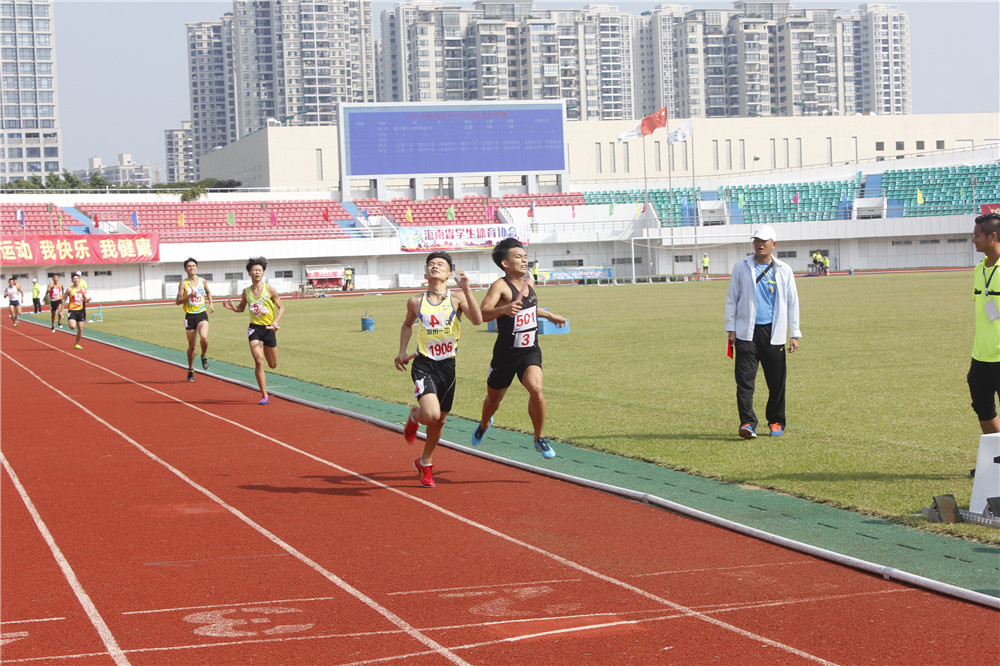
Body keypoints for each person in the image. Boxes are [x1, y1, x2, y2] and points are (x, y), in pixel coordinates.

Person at [394, 252, 483, 487]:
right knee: (431, 415)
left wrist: (467, 290)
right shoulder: (415, 301)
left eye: (440, 264)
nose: (435, 266)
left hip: (448, 367)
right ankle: (415, 415)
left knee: (440, 421)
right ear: (426, 274)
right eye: (431, 264)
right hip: (424, 365)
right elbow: (406, 325)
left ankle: (425, 462)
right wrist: (402, 351)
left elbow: (477, 320)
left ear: (448, 274)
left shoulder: (457, 300)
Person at [472, 238, 566, 458]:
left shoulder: (529, 281)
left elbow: (530, 308)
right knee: (494, 400)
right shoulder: (500, 286)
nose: (524, 261)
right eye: (518, 257)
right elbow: (481, 314)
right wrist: (504, 309)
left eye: (525, 257)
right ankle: (485, 423)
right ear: (505, 263)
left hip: (529, 351)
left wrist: (550, 315)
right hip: (505, 355)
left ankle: (539, 438)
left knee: (537, 390)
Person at [725, 224, 801, 439]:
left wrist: (794, 333)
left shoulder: (784, 269)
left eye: (764, 241)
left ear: (773, 245)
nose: (759, 244)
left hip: (773, 333)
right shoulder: (741, 267)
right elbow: (732, 298)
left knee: (776, 382)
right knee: (744, 382)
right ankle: (747, 423)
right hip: (746, 333)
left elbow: (792, 303)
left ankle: (776, 422)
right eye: (756, 241)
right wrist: (731, 328)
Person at [223, 257, 285, 405]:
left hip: (269, 329)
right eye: (254, 270)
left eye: (259, 270)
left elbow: (281, 307)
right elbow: (241, 308)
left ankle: (265, 388)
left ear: (263, 272)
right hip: (254, 329)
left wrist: (276, 322)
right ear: (249, 273)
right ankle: (264, 394)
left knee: (273, 365)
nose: (257, 272)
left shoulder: (270, 290)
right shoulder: (246, 292)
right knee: (258, 361)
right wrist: (233, 308)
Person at [968, 212, 1000, 449]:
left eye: (977, 235)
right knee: (983, 408)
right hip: (981, 355)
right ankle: (995, 461)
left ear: (993, 236)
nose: (973, 240)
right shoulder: (979, 269)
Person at [175, 257, 214, 382]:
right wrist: (189, 296)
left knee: (204, 337)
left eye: (194, 265)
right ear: (186, 269)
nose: (192, 268)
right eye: (189, 266)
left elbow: (208, 292)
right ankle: (191, 369)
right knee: (192, 346)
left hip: (201, 314)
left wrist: (211, 304)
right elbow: (177, 301)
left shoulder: (202, 281)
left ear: (197, 268)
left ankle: (203, 356)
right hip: (190, 316)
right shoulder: (183, 283)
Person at [61, 272, 90, 349]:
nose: (75, 280)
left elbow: (85, 300)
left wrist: (88, 300)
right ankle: (71, 321)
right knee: (72, 327)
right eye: (74, 279)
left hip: (80, 311)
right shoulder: (69, 289)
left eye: (77, 278)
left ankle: (76, 343)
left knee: (80, 328)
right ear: (72, 280)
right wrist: (61, 310)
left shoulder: (82, 289)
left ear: (79, 280)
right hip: (72, 310)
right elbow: (63, 299)